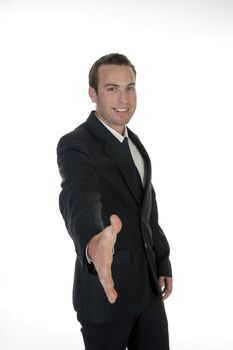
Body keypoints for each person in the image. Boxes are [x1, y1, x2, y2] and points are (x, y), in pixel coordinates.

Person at [57, 53, 173, 350]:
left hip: (147, 290)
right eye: (112, 88)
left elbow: (147, 208)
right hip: (104, 295)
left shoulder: (134, 142)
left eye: (130, 87)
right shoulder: (76, 144)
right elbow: (79, 196)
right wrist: (92, 241)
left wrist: (162, 259)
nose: (124, 98)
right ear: (92, 94)